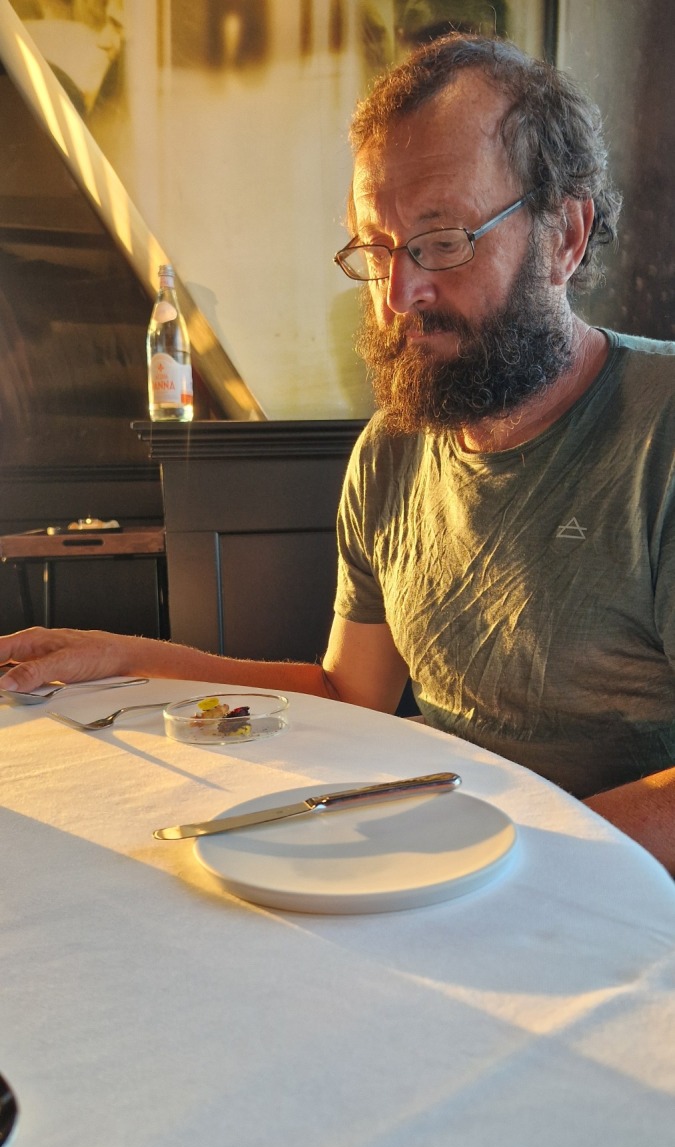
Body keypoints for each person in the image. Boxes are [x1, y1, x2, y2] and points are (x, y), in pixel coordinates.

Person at [2, 33, 675, 872]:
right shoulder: (392, 452)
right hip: (443, 871)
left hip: (608, 900)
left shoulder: (659, 435)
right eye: (376, 249)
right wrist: (123, 656)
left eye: (441, 241)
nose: (398, 295)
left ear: (565, 235)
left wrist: (516, 861)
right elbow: (347, 691)